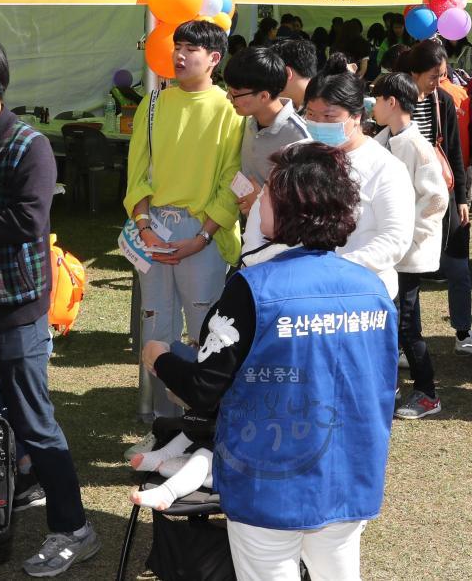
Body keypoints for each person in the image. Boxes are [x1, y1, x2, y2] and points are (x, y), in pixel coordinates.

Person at [145, 143, 396, 581]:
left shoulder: (254, 287)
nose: (259, 196)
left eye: (268, 191)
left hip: (268, 480)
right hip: (349, 473)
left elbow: (205, 386)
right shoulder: (371, 288)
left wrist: (160, 360)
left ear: (287, 207)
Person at [0, 39, 95, 574]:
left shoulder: (29, 145)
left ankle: (74, 526)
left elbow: (29, 222)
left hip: (15, 304)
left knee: (33, 419)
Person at [124, 21, 245, 416]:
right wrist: (144, 225)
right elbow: (137, 172)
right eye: (178, 46)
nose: (179, 55)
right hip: (155, 227)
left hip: (201, 231)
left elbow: (231, 178)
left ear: (213, 58)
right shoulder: (154, 103)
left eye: (190, 49)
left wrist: (204, 235)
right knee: (154, 322)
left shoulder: (231, 110)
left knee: (203, 328)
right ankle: (163, 422)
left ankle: (199, 423)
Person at [392, 41, 472, 359]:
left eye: (443, 75)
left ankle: (463, 332)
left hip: (442, 193)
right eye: (433, 76)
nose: (439, 82)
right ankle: (408, 342)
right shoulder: (393, 105)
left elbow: (454, 152)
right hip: (404, 197)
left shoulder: (443, 101)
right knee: (409, 274)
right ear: (413, 73)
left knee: (458, 266)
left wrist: (461, 198)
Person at [370, 72, 449, 419]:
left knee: (405, 325)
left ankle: (427, 393)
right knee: (392, 322)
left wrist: (407, 236)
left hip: (406, 254)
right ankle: (395, 389)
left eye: (376, 98)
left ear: (392, 102)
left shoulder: (415, 145)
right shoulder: (384, 139)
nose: (372, 105)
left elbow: (436, 199)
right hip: (388, 251)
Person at [301, 59, 414, 297]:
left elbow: (395, 238)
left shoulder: (386, 167)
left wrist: (334, 268)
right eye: (311, 114)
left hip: (361, 294)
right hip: (302, 290)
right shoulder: (295, 156)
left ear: (357, 115)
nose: (318, 124)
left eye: (329, 116)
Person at [224, 47, 312, 238]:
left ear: (264, 96)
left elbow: (308, 206)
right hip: (250, 232)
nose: (229, 98)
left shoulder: (300, 138)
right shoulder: (248, 122)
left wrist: (259, 201)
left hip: (281, 241)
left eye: (235, 93)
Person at [274, 35, 320, 108]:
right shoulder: (325, 104)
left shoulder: (322, 111)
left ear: (286, 73)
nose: (269, 83)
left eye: (271, 74)